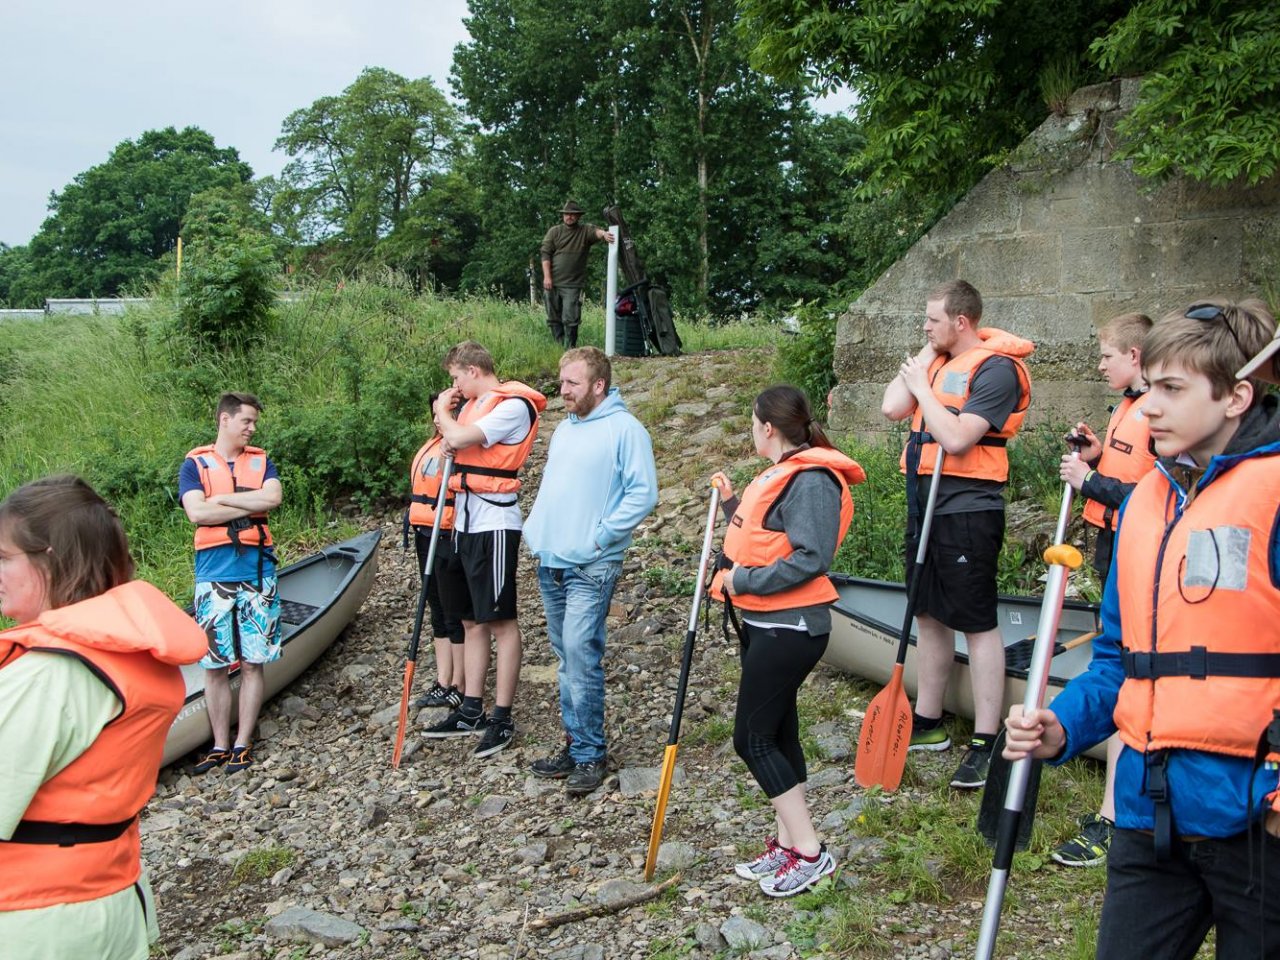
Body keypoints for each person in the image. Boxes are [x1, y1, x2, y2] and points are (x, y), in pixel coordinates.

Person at [1003, 298, 1280, 959]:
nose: (1149, 406)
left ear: (1237, 395)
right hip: (1149, 813)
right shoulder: (1144, 504)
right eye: (1149, 386)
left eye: (1172, 389)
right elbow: (1119, 662)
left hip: (1258, 821)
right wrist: (1064, 724)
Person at [0, 475, 206, 958]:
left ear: (51, 560)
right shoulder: (129, 654)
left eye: (4, 559)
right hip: (109, 901)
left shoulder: (46, 674)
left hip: (36, 922)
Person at [709, 385, 866, 897]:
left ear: (768, 427)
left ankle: (811, 853)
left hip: (792, 625)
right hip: (765, 622)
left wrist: (743, 581)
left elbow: (810, 557)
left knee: (750, 738)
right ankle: (785, 844)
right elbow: (769, 533)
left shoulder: (813, 479)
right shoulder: (783, 473)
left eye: (753, 422)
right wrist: (731, 503)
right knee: (776, 733)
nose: (751, 429)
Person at [880, 279, 1033, 790]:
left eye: (932, 321)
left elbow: (958, 438)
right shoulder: (939, 360)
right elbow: (891, 407)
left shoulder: (996, 369)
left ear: (961, 322)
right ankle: (928, 719)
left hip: (968, 509)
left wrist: (925, 386)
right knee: (926, 610)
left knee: (975, 621)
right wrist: (927, 355)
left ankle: (987, 739)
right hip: (923, 502)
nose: (924, 328)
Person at [524, 347, 658, 795]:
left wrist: (601, 537)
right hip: (553, 561)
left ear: (598, 385)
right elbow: (555, 488)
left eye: (572, 384)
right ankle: (576, 742)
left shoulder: (626, 430)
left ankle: (590, 755)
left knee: (582, 654)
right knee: (567, 658)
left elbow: (643, 494)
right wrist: (535, 531)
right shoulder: (565, 428)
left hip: (593, 564)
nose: (563, 391)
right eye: (562, 382)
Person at [1051, 311, 1156, 868]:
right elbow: (1129, 467)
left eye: (1108, 356)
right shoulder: (1130, 405)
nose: (1099, 364)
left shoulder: (1160, 411)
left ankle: (1116, 816)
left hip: (1136, 551)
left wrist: (1088, 482)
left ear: (1135, 357)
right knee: (1115, 656)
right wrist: (1096, 456)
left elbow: (1155, 496)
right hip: (1115, 546)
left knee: (1128, 669)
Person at [423, 341, 547, 758]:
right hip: (463, 521)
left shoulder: (511, 406)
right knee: (471, 619)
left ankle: (501, 716)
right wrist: (449, 434)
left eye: (455, 377)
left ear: (473, 370)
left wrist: (443, 412)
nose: (454, 386)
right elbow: (453, 447)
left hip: (494, 525)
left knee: (500, 621)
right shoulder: (477, 404)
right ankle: (472, 706)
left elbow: (457, 435)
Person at [180, 391, 283, 775]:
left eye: (254, 422)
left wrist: (220, 502)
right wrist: (246, 501)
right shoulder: (194, 463)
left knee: (254, 662)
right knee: (214, 665)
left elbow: (272, 498)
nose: (252, 428)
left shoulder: (261, 460)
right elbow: (196, 511)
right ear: (225, 420)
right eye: (247, 421)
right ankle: (219, 743)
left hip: (257, 572)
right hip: (213, 574)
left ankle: (243, 742)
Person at [407, 394, 465, 711]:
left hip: (447, 535)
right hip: (424, 533)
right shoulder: (432, 446)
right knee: (437, 612)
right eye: (435, 414)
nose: (438, 419)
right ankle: (444, 682)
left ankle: (461, 684)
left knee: (454, 612)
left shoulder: (460, 447)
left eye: (443, 413)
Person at [540, 200, 615, 347]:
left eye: (573, 214)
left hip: (572, 284)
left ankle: (570, 347)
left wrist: (605, 234)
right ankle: (559, 345)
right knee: (553, 317)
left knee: (571, 317)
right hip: (553, 282)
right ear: (563, 216)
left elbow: (597, 232)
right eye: (567, 214)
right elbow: (545, 254)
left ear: (578, 216)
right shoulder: (555, 232)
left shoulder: (584, 230)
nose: (569, 217)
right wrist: (547, 277)